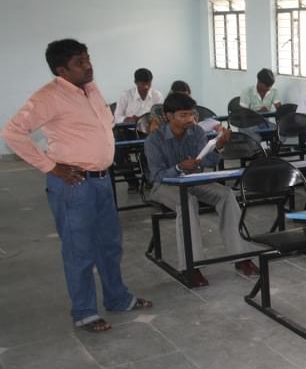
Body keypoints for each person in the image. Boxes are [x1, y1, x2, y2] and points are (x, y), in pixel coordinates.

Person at [2, 39, 152, 333]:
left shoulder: (91, 89)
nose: (88, 66)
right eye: (79, 63)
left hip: (101, 179)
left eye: (88, 59)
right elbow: (12, 132)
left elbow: (103, 125)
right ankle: (84, 311)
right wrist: (50, 166)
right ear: (61, 70)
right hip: (73, 184)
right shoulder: (48, 97)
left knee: (109, 244)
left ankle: (117, 297)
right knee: (79, 249)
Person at [144, 92, 260, 286]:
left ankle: (241, 256)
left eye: (191, 114)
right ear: (169, 116)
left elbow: (207, 161)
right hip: (164, 185)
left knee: (227, 195)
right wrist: (179, 167)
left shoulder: (196, 132)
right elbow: (155, 175)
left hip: (193, 180)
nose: (189, 119)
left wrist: (220, 147)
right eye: (183, 115)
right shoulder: (154, 140)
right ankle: (192, 265)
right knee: (187, 203)